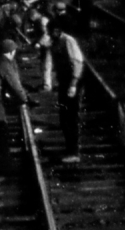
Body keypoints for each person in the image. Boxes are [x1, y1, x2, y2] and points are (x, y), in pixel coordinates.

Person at [0, 39, 37, 169]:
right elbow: (15, 86)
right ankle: (6, 165)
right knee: (1, 131)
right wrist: (25, 99)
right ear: (11, 51)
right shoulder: (5, 64)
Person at [48, 20, 85, 163]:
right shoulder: (55, 41)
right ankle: (69, 149)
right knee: (64, 117)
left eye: (53, 31)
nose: (51, 34)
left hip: (71, 83)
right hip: (64, 83)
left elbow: (77, 62)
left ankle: (74, 152)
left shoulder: (68, 41)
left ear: (58, 30)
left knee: (70, 117)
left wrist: (73, 84)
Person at [26, 8, 52, 91]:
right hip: (45, 45)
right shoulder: (39, 21)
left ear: (35, 15)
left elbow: (47, 34)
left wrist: (39, 43)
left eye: (31, 17)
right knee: (43, 65)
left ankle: (47, 86)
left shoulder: (42, 21)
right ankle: (45, 83)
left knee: (46, 65)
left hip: (49, 45)